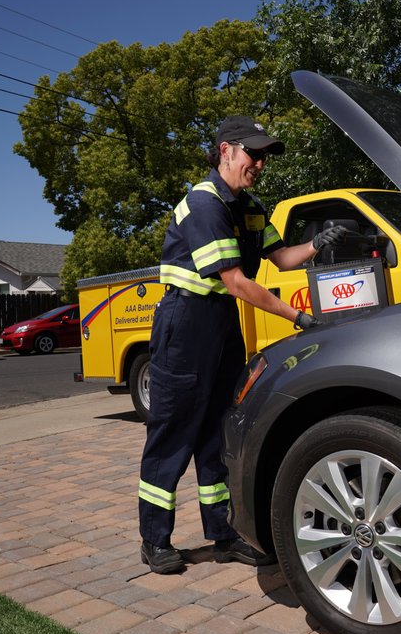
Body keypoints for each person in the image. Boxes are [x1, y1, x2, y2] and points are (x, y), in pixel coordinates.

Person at [138, 115, 347, 574]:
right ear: (226, 150)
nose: (260, 163)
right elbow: (235, 281)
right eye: (254, 153)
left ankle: (223, 534)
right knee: (173, 434)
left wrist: (316, 244)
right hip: (184, 324)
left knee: (218, 432)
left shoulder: (250, 207)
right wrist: (297, 317)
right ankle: (154, 540)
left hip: (221, 325)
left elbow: (281, 257)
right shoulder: (204, 203)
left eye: (264, 156)